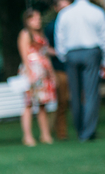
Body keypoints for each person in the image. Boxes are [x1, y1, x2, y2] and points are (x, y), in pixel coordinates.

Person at [55, 0, 105, 142]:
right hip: (91, 53)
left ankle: (80, 130)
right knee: (91, 93)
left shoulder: (64, 13)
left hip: (71, 54)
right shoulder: (97, 11)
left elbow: (59, 37)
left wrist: (63, 55)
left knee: (75, 95)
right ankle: (88, 132)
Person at [18, 9, 57, 146]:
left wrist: (51, 73)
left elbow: (45, 53)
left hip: (43, 71)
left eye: (38, 18)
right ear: (28, 20)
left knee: (42, 104)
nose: (37, 21)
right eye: (34, 19)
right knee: (28, 104)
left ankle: (45, 135)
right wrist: (29, 74)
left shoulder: (40, 34)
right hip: (32, 72)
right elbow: (24, 55)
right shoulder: (25, 34)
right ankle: (27, 136)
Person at [45, 0, 72, 140]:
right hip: (60, 68)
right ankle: (61, 132)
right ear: (56, 9)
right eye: (62, 7)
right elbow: (45, 48)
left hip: (74, 66)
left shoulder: (76, 24)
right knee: (62, 101)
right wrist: (60, 52)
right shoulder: (51, 27)